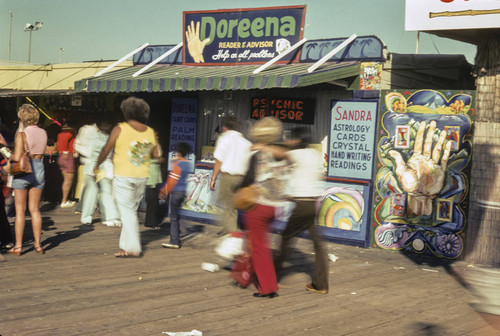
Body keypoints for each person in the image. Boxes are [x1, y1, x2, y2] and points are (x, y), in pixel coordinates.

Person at [95, 97, 158, 258]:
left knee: (127, 212)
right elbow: (155, 154)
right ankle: (125, 247)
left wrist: (97, 164)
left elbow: (106, 148)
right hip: (141, 176)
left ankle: (133, 247)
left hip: (123, 175)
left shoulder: (120, 128)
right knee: (130, 211)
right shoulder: (150, 132)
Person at [271, 127, 330, 294]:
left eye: (290, 138)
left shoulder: (297, 154)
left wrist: (261, 145)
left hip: (302, 204)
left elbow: (279, 153)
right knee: (318, 245)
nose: (288, 141)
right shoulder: (314, 155)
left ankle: (274, 277)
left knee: (286, 238)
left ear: (297, 140)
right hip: (313, 204)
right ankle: (321, 284)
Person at [237, 117, 289, 298]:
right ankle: (244, 277)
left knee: (258, 247)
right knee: (258, 243)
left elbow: (247, 180)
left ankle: (268, 287)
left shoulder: (258, 155)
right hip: (276, 208)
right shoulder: (282, 155)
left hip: (259, 206)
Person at [6, 104, 47, 255]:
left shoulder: (21, 135)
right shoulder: (43, 132)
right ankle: (38, 245)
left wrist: (8, 155)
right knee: (35, 209)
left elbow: (17, 157)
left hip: (24, 171)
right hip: (39, 169)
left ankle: (18, 246)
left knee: (20, 211)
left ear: (22, 118)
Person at [210, 116, 251, 236]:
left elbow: (219, 160)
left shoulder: (224, 138)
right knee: (232, 206)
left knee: (226, 205)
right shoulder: (246, 142)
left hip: (227, 177)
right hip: (240, 177)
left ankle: (232, 231)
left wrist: (213, 178)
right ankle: (229, 228)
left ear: (225, 127)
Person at [80, 119, 120, 227]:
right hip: (94, 165)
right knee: (91, 192)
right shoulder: (94, 136)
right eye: (104, 124)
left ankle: (110, 216)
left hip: (104, 166)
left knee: (106, 192)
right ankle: (86, 217)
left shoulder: (109, 136)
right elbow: (93, 152)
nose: (106, 126)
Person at [160, 142, 192, 249]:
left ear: (178, 152)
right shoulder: (188, 164)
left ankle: (174, 241)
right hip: (183, 192)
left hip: (176, 192)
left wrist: (164, 191)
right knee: (177, 215)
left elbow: (172, 180)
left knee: (173, 218)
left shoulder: (177, 165)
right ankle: (176, 236)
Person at [73, 120, 99, 214]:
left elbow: (77, 144)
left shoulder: (83, 129)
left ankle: (81, 207)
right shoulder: (98, 131)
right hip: (95, 161)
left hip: (85, 160)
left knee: (86, 184)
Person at [144, 131, 163, 228]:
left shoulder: (157, 144)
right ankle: (151, 222)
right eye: (155, 135)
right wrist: (157, 160)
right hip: (150, 174)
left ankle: (150, 220)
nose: (157, 137)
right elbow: (153, 156)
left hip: (155, 174)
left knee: (154, 199)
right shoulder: (149, 145)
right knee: (152, 199)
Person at [56, 122, 76, 208]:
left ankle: (64, 200)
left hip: (61, 156)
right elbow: (65, 140)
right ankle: (64, 201)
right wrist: (65, 152)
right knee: (68, 181)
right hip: (68, 156)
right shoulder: (68, 132)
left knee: (65, 180)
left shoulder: (60, 133)